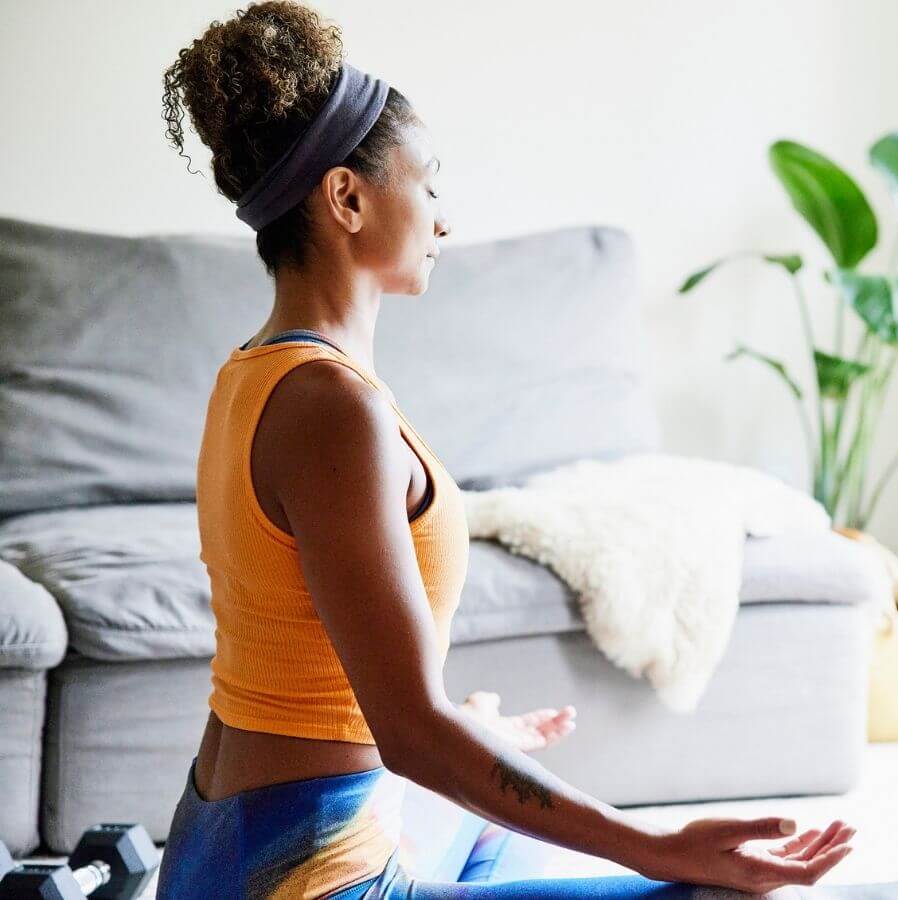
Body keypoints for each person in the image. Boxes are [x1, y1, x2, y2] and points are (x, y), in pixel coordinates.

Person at [156, 3, 855, 897]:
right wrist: (658, 846)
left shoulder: (252, 374)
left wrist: (465, 730)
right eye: (431, 185)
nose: (443, 220)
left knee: (504, 833)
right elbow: (409, 733)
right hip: (302, 877)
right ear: (348, 197)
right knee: (707, 889)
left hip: (229, 842)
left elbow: (330, 688)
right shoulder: (332, 408)